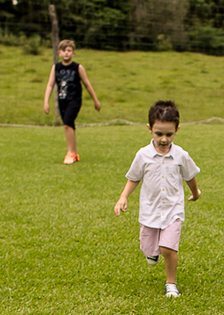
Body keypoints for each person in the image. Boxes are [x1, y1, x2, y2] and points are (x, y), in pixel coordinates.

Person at [114, 100, 201, 298]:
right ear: (149, 129)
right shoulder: (143, 155)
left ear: (177, 130)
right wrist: (123, 196)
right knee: (148, 245)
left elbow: (190, 176)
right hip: (150, 209)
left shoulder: (181, 155)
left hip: (173, 209)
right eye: (158, 133)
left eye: (169, 134)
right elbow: (134, 178)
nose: (163, 139)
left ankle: (171, 284)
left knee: (167, 248)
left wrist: (195, 193)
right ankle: (151, 252)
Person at [43, 39, 101, 165]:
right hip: (62, 100)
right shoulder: (56, 68)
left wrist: (96, 101)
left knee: (67, 124)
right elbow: (50, 85)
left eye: (69, 51)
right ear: (59, 52)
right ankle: (74, 153)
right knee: (70, 126)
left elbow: (87, 84)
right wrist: (46, 102)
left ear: (73, 53)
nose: (66, 53)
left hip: (74, 100)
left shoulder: (78, 68)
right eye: (64, 51)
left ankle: (70, 153)